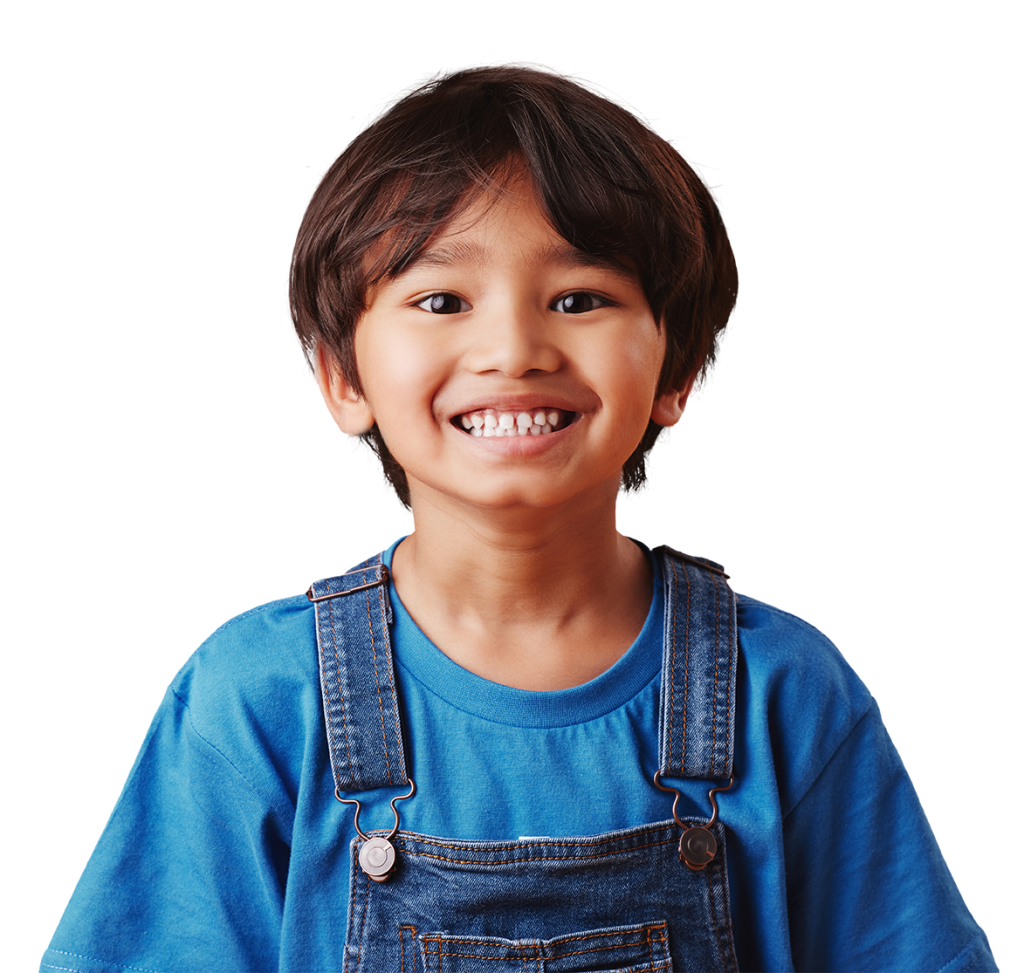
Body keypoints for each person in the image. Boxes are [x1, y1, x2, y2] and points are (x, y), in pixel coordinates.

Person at [41, 60, 998, 973]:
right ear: (339, 379)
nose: (513, 347)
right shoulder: (254, 697)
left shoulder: (786, 692)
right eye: (441, 297)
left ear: (679, 374)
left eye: (579, 297)